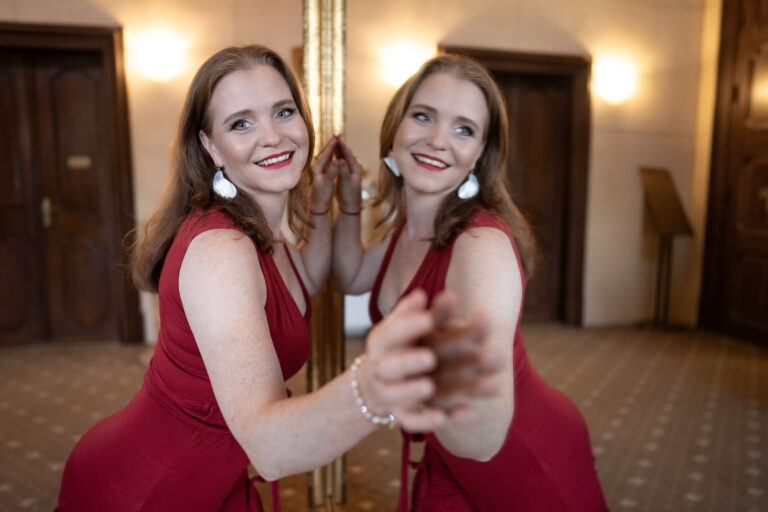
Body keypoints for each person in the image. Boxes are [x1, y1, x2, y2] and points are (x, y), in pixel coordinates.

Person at [55, 45, 500, 511]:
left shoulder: (262, 230)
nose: (272, 136)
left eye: (284, 112)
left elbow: (307, 280)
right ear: (210, 146)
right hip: (149, 486)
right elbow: (271, 451)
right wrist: (373, 385)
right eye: (241, 123)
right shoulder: (221, 249)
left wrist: (326, 201)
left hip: (213, 475)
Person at [332, 54, 609, 511]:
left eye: (464, 129)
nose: (439, 140)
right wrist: (348, 202)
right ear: (395, 127)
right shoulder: (406, 229)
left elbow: (486, 428)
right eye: (424, 117)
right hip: (446, 450)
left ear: (480, 154)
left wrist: (392, 384)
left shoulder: (481, 245)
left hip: (519, 456)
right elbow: (351, 276)